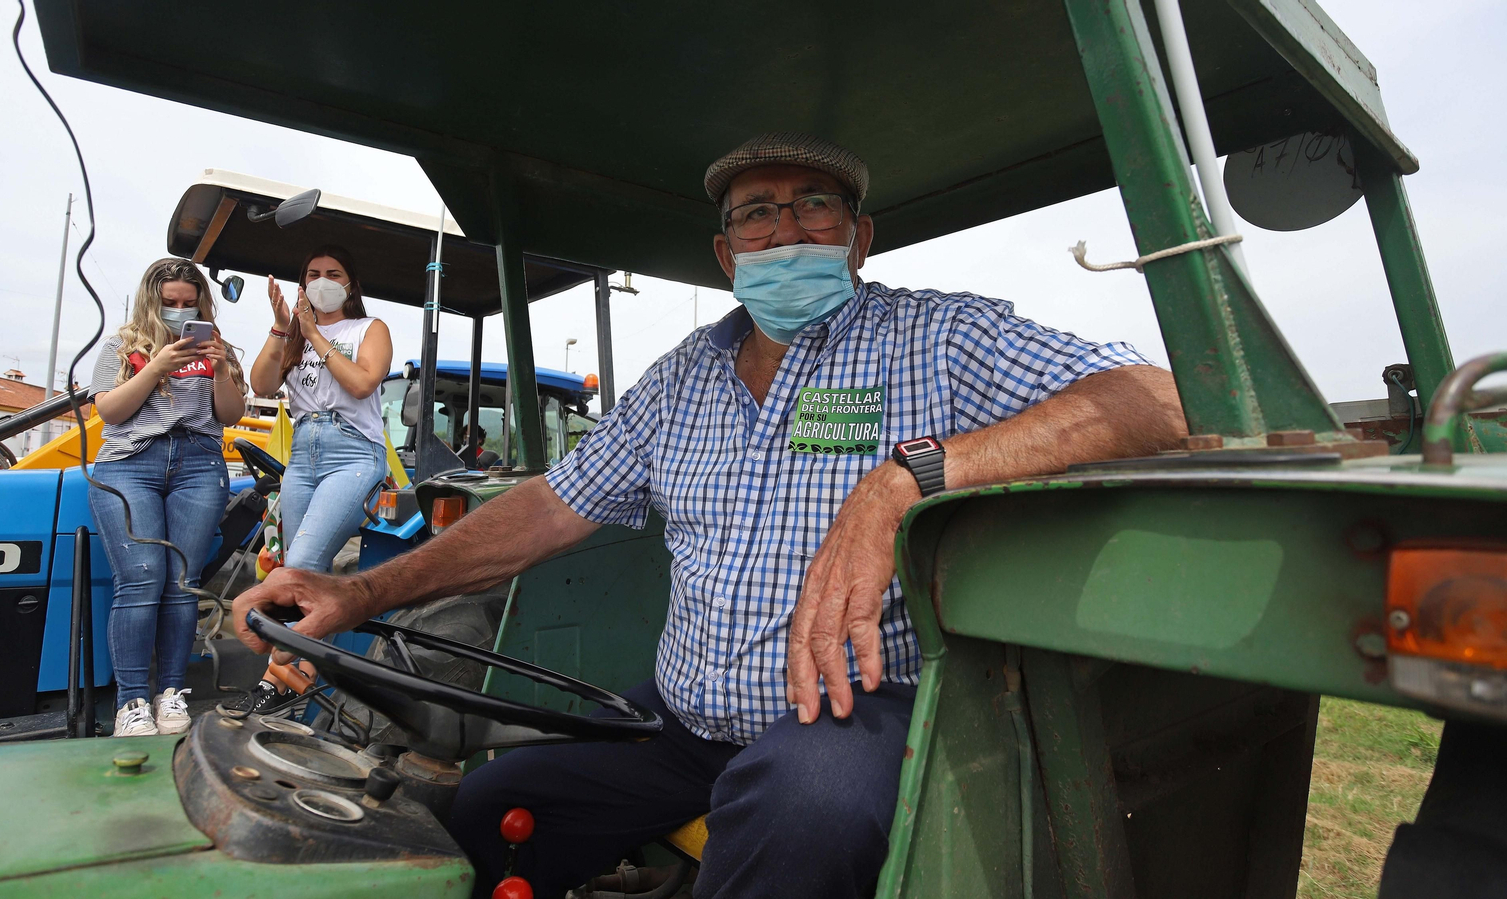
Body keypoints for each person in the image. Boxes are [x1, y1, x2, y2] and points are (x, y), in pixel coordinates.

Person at [235, 133, 1188, 898]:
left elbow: (1159, 401)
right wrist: (360, 591)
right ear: (727, 253)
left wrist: (908, 478)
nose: (787, 231)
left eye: (814, 206)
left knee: (802, 809)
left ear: (859, 238)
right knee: (489, 806)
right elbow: (544, 511)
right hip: (682, 727)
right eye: (757, 216)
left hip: (849, 713)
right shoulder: (681, 380)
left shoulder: (934, 337)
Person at [228, 245, 393, 715]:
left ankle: (279, 681)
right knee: (301, 568)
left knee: (296, 566)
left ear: (350, 284)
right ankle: (304, 680)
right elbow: (260, 385)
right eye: (313, 274)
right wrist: (283, 327)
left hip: (353, 454)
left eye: (333, 274)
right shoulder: (294, 335)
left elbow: (362, 384)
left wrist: (316, 336)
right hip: (303, 453)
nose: (322, 281)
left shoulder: (369, 329)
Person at [90, 258, 245, 738]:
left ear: (202, 302)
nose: (179, 311)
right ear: (150, 301)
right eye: (169, 302)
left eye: (188, 302)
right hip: (131, 463)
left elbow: (232, 412)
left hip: (199, 461)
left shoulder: (219, 348)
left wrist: (220, 369)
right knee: (140, 578)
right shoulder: (120, 346)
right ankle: (131, 701)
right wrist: (156, 364)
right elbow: (109, 411)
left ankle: (172, 692)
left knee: (182, 581)